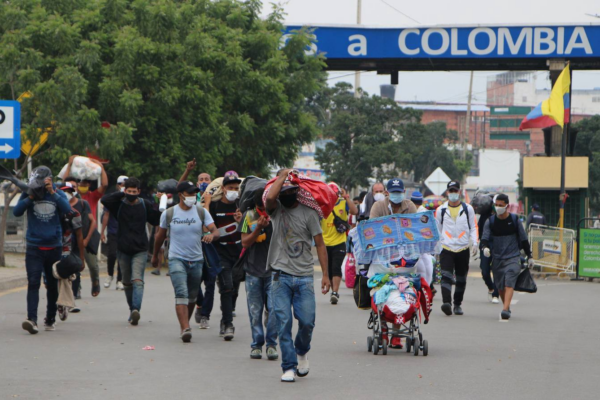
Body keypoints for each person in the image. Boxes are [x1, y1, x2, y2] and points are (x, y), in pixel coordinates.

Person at [265, 169, 330, 383]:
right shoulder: (276, 210)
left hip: (303, 276)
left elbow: (320, 244)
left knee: (307, 322)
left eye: (290, 191)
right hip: (279, 275)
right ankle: (289, 367)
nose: (286, 194)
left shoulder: (309, 213)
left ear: (298, 192)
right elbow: (271, 198)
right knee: (282, 323)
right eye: (284, 191)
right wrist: (283, 176)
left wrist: (326, 276)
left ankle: (302, 351)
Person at [152, 181, 220, 342]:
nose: (192, 196)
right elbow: (159, 236)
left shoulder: (201, 212)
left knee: (192, 296)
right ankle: (185, 328)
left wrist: (212, 235)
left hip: (197, 260)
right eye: (189, 193)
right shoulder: (169, 213)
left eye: (194, 193)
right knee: (181, 292)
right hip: (176, 259)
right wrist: (155, 255)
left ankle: (185, 323)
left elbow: (215, 230)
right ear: (180, 194)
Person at [14, 166, 72, 334]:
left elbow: (68, 210)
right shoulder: (29, 193)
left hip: (54, 246)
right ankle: (32, 319)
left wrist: (52, 192)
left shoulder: (57, 193)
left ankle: (50, 318)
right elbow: (17, 212)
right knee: (33, 282)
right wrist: (31, 196)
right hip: (34, 246)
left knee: (52, 284)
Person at [100, 177, 161, 325]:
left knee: (138, 280)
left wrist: (159, 204)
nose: (132, 193)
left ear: (139, 192)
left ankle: (136, 309)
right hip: (123, 249)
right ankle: (131, 310)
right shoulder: (119, 205)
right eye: (129, 191)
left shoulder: (144, 204)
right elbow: (105, 200)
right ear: (124, 190)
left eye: (134, 191)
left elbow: (156, 219)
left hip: (140, 249)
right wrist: (121, 194)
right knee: (127, 282)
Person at [239, 188, 278, 360]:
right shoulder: (248, 216)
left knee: (274, 309)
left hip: (274, 271)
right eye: (262, 205)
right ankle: (256, 344)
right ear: (257, 204)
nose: (265, 209)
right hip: (253, 270)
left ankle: (271, 344)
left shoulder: (278, 216)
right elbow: (245, 242)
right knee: (255, 311)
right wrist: (258, 229)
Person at [481, 194, 534, 320]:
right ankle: (507, 304)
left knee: (509, 282)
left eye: (501, 205)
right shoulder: (491, 221)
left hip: (513, 257)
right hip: (497, 258)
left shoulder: (515, 220)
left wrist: (529, 256)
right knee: (499, 286)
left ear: (507, 206)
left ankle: (505, 309)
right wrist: (485, 248)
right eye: (496, 205)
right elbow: (484, 238)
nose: (498, 207)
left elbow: (524, 239)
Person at [435, 181, 478, 316]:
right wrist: (437, 248)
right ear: (447, 193)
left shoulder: (468, 209)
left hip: (463, 247)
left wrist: (475, 243)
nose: (453, 193)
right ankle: (446, 303)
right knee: (446, 276)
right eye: (450, 191)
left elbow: (473, 226)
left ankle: (457, 304)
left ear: (459, 192)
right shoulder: (441, 210)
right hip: (446, 248)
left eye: (455, 191)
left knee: (461, 279)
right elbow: (437, 230)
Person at [208, 175, 243, 340]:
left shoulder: (241, 206)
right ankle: (229, 324)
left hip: (238, 253)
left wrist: (241, 221)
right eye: (230, 188)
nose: (233, 191)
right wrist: (206, 204)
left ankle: (225, 316)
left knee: (234, 288)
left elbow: (248, 227)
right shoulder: (214, 206)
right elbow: (207, 226)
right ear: (223, 189)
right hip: (220, 253)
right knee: (226, 286)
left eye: (236, 188)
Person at [321, 182, 358, 304]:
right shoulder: (322, 204)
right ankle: (333, 291)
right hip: (324, 243)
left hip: (339, 241)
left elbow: (354, 211)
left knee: (336, 267)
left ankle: (335, 292)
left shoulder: (343, 203)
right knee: (330, 270)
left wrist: (346, 197)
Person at [63, 178, 100, 297]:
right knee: (74, 265)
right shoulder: (61, 204)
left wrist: (86, 239)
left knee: (93, 266)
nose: (71, 191)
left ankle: (95, 282)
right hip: (69, 241)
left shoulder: (83, 204)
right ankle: (75, 290)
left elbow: (93, 222)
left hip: (84, 239)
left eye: (73, 188)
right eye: (67, 190)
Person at [57, 183, 86, 320]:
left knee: (65, 277)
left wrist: (81, 257)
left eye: (69, 192)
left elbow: (79, 235)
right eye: (64, 192)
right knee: (49, 280)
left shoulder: (75, 213)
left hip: (67, 249)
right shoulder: (52, 210)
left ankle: (64, 304)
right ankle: (57, 301)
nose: (66, 194)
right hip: (50, 247)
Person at [101, 175, 128, 290]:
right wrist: (102, 231)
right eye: (122, 184)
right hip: (112, 231)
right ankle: (110, 275)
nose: (123, 187)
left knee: (122, 257)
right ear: (118, 185)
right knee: (112, 254)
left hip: (125, 232)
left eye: (125, 185)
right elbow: (106, 215)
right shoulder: (112, 199)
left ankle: (120, 280)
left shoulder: (129, 199)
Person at [64, 155, 108, 221]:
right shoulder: (71, 195)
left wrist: (102, 168)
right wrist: (69, 165)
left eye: (86, 183)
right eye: (81, 182)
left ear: (89, 185)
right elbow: (64, 183)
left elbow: (104, 185)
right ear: (77, 184)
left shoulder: (93, 196)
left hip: (89, 228)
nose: (83, 184)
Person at [478, 199, 499, 304]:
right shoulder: (484, 216)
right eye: (496, 204)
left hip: (498, 246)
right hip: (485, 245)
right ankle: (490, 287)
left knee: (497, 270)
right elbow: (480, 232)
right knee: (485, 270)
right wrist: (481, 245)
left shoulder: (504, 217)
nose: (498, 206)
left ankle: (496, 293)